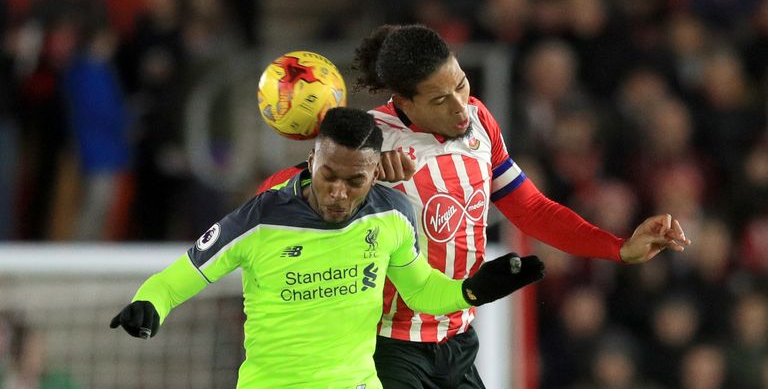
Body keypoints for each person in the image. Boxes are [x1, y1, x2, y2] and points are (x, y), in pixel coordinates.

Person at [258, 24, 690, 389]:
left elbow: (532, 209)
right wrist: (352, 177)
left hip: (458, 339)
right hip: (386, 345)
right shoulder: (370, 140)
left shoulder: (480, 123)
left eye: (461, 84)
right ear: (405, 102)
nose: (460, 106)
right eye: (440, 99)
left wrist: (618, 247)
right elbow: (271, 199)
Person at [110, 107, 546, 388]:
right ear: (313, 160)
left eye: (354, 180)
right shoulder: (262, 217)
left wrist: (470, 291)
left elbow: (420, 291)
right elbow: (185, 273)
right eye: (327, 175)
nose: (337, 191)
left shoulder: (393, 214)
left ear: (375, 173)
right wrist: (150, 302)